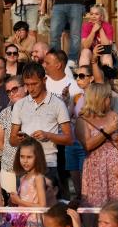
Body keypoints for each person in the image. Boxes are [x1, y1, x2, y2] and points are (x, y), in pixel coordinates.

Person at [9, 63, 73, 193]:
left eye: (34, 84)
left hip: (48, 163)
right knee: (26, 209)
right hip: (25, 164)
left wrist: (48, 135)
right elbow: (12, 140)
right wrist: (22, 139)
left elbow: (69, 139)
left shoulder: (58, 104)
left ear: (44, 80)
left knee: (48, 207)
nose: (30, 89)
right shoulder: (19, 105)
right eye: (27, 84)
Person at [78, 83, 118, 207]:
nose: (110, 100)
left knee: (117, 206)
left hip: (115, 169)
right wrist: (107, 131)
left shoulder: (113, 115)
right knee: (96, 205)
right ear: (98, 98)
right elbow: (87, 145)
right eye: (108, 97)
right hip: (95, 169)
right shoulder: (82, 120)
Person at [8, 138, 48, 227]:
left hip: (33, 223)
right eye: (22, 157)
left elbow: (42, 206)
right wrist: (14, 201)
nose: (25, 161)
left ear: (37, 157)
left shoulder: (38, 177)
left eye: (29, 157)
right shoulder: (22, 178)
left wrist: (19, 201)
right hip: (21, 222)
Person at [0, 75, 27, 194]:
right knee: (9, 205)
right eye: (8, 91)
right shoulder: (5, 113)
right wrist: (11, 156)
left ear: (25, 88)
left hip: (31, 168)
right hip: (9, 167)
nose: (12, 93)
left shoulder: (36, 110)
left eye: (15, 89)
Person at [80, 5, 115, 79]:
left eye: (96, 14)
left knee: (106, 55)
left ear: (101, 17)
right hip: (91, 53)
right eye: (91, 14)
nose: (93, 16)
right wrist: (93, 31)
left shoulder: (108, 26)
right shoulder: (86, 26)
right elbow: (86, 46)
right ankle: (83, 79)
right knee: (85, 52)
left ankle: (108, 82)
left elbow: (107, 46)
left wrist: (100, 28)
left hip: (103, 51)